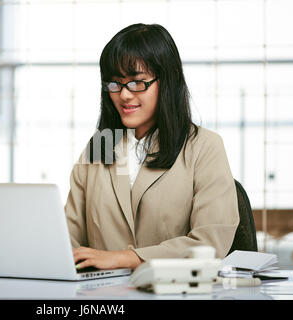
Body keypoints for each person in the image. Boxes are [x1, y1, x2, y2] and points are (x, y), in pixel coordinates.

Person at [64, 23, 239, 271]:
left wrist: (125, 259)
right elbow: (68, 238)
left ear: (167, 82)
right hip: (102, 297)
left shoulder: (204, 147)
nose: (123, 95)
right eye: (114, 83)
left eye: (137, 82)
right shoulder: (101, 145)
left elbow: (209, 243)